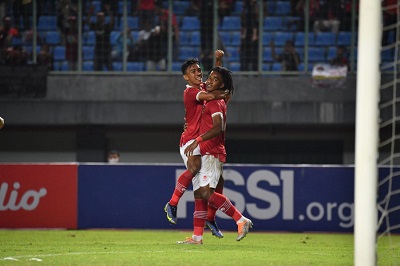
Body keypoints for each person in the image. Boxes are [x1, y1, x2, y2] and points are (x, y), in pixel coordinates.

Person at [177, 66, 252, 244]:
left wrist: (198, 140)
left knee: (205, 192)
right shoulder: (217, 99)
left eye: (214, 79)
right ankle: (197, 237)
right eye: (209, 78)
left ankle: (241, 220)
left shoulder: (213, 101)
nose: (209, 81)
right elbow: (218, 79)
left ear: (221, 84)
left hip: (211, 151)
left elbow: (219, 127)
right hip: (207, 150)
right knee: (199, 194)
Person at [164, 51, 227, 238]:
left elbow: (215, 77)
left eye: (199, 70)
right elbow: (211, 95)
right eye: (193, 71)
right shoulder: (191, 92)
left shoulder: (201, 86)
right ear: (185, 76)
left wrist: (218, 61)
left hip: (200, 141)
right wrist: (226, 91)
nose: (198, 73)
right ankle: (173, 203)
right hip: (190, 141)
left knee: (205, 190)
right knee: (195, 166)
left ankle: (200, 232)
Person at [85, 3, 115, 71]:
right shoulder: (95, 26)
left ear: (104, 17)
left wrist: (109, 11)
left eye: (101, 16)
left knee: (110, 69)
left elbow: (112, 22)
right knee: (97, 70)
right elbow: (87, 21)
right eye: (98, 16)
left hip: (106, 50)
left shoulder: (107, 26)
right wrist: (90, 12)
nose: (100, 18)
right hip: (98, 50)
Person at [240, 0, 259, 71]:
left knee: (254, 57)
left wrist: (255, 33)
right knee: (245, 57)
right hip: (246, 37)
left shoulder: (255, 9)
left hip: (253, 38)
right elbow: (243, 19)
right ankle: (244, 71)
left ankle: (255, 72)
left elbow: (257, 17)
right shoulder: (246, 9)